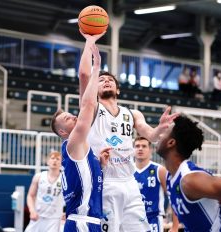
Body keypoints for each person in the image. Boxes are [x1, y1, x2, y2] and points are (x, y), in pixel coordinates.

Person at [79, 32, 179, 232]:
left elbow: (151, 135)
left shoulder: (132, 113)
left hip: (130, 183)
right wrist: (90, 42)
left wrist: (160, 127)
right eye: (101, 80)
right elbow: (83, 75)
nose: (105, 81)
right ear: (94, 88)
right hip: (106, 182)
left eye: (110, 80)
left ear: (118, 90)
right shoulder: (92, 108)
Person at [51, 37, 109, 231]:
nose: (74, 118)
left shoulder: (79, 148)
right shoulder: (72, 143)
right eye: (68, 119)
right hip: (82, 222)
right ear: (62, 132)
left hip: (85, 221)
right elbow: (88, 103)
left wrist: (98, 165)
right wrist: (97, 66)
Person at [133, 136, 179, 232]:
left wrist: (175, 226)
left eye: (144, 146)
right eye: (137, 146)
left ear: (150, 150)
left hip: (153, 220)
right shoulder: (127, 170)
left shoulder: (159, 170)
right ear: (133, 150)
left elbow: (173, 196)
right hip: (131, 219)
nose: (140, 148)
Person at [25, 151, 64, 232]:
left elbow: (71, 197)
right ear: (48, 161)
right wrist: (32, 211)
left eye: (58, 159)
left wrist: (66, 212)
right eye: (52, 158)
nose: (55, 161)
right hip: (38, 216)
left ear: (61, 163)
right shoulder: (39, 176)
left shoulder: (64, 179)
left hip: (54, 219)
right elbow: (30, 195)